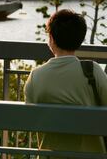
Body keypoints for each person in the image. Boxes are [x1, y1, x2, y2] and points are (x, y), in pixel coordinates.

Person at [24, 9, 107, 156]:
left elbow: (30, 120)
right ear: (79, 39)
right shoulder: (92, 71)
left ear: (52, 39)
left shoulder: (36, 76)